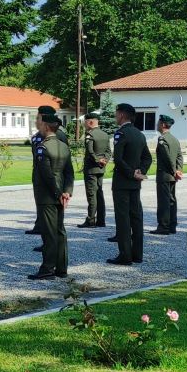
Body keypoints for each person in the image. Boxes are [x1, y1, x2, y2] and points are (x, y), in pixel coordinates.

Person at [28, 114, 74, 280]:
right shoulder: (63, 146)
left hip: (47, 195)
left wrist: (57, 193)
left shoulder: (43, 147)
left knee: (49, 233)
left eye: (41, 124)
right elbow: (69, 173)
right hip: (61, 193)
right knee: (59, 230)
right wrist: (67, 192)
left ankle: (47, 268)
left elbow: (47, 175)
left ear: (46, 127)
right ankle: (61, 268)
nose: (39, 127)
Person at [107, 103, 152, 266]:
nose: (115, 117)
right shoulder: (139, 134)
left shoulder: (121, 133)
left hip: (122, 182)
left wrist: (131, 173)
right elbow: (148, 158)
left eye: (116, 114)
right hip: (135, 184)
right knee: (136, 218)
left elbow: (118, 159)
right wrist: (141, 171)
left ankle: (125, 255)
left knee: (123, 219)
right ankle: (137, 254)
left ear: (121, 115)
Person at [26, 105, 59, 236]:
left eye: (38, 118)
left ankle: (51, 234)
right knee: (40, 202)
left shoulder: (56, 135)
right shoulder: (37, 136)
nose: (36, 121)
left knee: (51, 206)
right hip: (39, 174)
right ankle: (40, 225)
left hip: (52, 175)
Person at [151, 115, 183, 236]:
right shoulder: (174, 139)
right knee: (171, 200)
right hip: (172, 176)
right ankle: (172, 225)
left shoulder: (162, 139)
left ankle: (163, 226)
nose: (157, 124)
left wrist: (174, 170)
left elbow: (167, 157)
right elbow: (179, 156)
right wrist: (178, 170)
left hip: (164, 174)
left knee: (164, 201)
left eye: (158, 122)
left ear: (163, 125)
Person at [78, 112, 111, 228]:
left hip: (91, 169)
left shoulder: (90, 135)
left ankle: (91, 220)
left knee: (92, 194)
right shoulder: (105, 134)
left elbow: (90, 151)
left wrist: (97, 160)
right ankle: (101, 220)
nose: (84, 124)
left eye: (85, 122)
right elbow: (108, 151)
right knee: (99, 193)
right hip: (101, 168)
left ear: (90, 122)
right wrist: (104, 160)